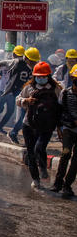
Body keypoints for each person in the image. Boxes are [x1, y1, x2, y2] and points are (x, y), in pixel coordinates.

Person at [16, 61, 62, 188]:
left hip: (47, 126)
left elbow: (61, 105)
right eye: (38, 76)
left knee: (39, 148)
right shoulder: (29, 87)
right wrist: (26, 100)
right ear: (34, 76)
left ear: (48, 76)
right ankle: (36, 180)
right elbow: (18, 100)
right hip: (29, 124)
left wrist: (60, 125)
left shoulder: (56, 89)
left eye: (44, 76)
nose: (41, 78)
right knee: (31, 153)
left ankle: (43, 168)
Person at [0, 45, 37, 142]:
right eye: (32, 61)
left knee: (13, 111)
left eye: (35, 61)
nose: (34, 63)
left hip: (19, 93)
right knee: (0, 109)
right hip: (6, 90)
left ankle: (2, 128)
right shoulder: (16, 62)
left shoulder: (34, 67)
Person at [52, 64, 77, 198]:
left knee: (76, 161)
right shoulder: (65, 93)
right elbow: (60, 112)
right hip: (68, 129)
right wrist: (59, 128)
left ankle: (67, 185)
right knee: (65, 154)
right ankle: (57, 183)